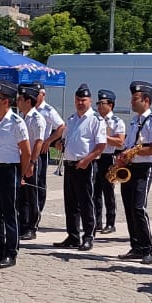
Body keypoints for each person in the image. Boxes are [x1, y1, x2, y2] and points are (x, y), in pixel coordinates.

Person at [0, 82, 32, 269]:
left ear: (6, 101)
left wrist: (23, 174)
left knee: (9, 213)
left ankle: (11, 252)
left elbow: (25, 151)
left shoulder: (17, 122)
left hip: (10, 170)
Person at [115, 80, 152, 266]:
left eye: (135, 98)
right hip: (130, 168)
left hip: (144, 169)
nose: (132, 102)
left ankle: (147, 249)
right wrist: (123, 155)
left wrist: (134, 152)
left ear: (146, 100)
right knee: (129, 208)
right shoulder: (134, 120)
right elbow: (129, 143)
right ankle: (135, 246)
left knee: (138, 208)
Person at [55, 84, 107, 250]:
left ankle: (89, 236)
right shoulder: (71, 119)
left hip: (86, 165)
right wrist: (60, 144)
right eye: (78, 100)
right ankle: (73, 236)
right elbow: (67, 139)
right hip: (70, 165)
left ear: (90, 101)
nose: (80, 103)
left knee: (86, 202)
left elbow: (101, 145)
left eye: (83, 100)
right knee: (70, 204)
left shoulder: (96, 120)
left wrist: (86, 160)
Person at [93, 90, 127, 235]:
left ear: (111, 105)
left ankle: (110, 222)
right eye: (98, 103)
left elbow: (120, 141)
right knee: (95, 192)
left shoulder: (117, 121)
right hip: (96, 157)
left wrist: (103, 137)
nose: (99, 106)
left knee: (108, 191)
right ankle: (97, 221)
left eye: (102, 103)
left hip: (108, 157)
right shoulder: (94, 119)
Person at [16, 85, 47, 240]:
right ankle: (23, 223)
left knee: (32, 194)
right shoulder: (22, 116)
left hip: (32, 159)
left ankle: (32, 226)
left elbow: (39, 143)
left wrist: (32, 163)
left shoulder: (37, 118)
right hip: (21, 158)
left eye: (20, 99)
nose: (18, 101)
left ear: (28, 101)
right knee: (21, 194)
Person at [33, 85, 65, 219]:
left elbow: (61, 126)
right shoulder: (30, 108)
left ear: (43, 94)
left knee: (39, 181)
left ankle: (38, 210)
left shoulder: (48, 110)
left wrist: (48, 141)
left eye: (37, 93)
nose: (35, 96)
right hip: (30, 149)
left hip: (41, 150)